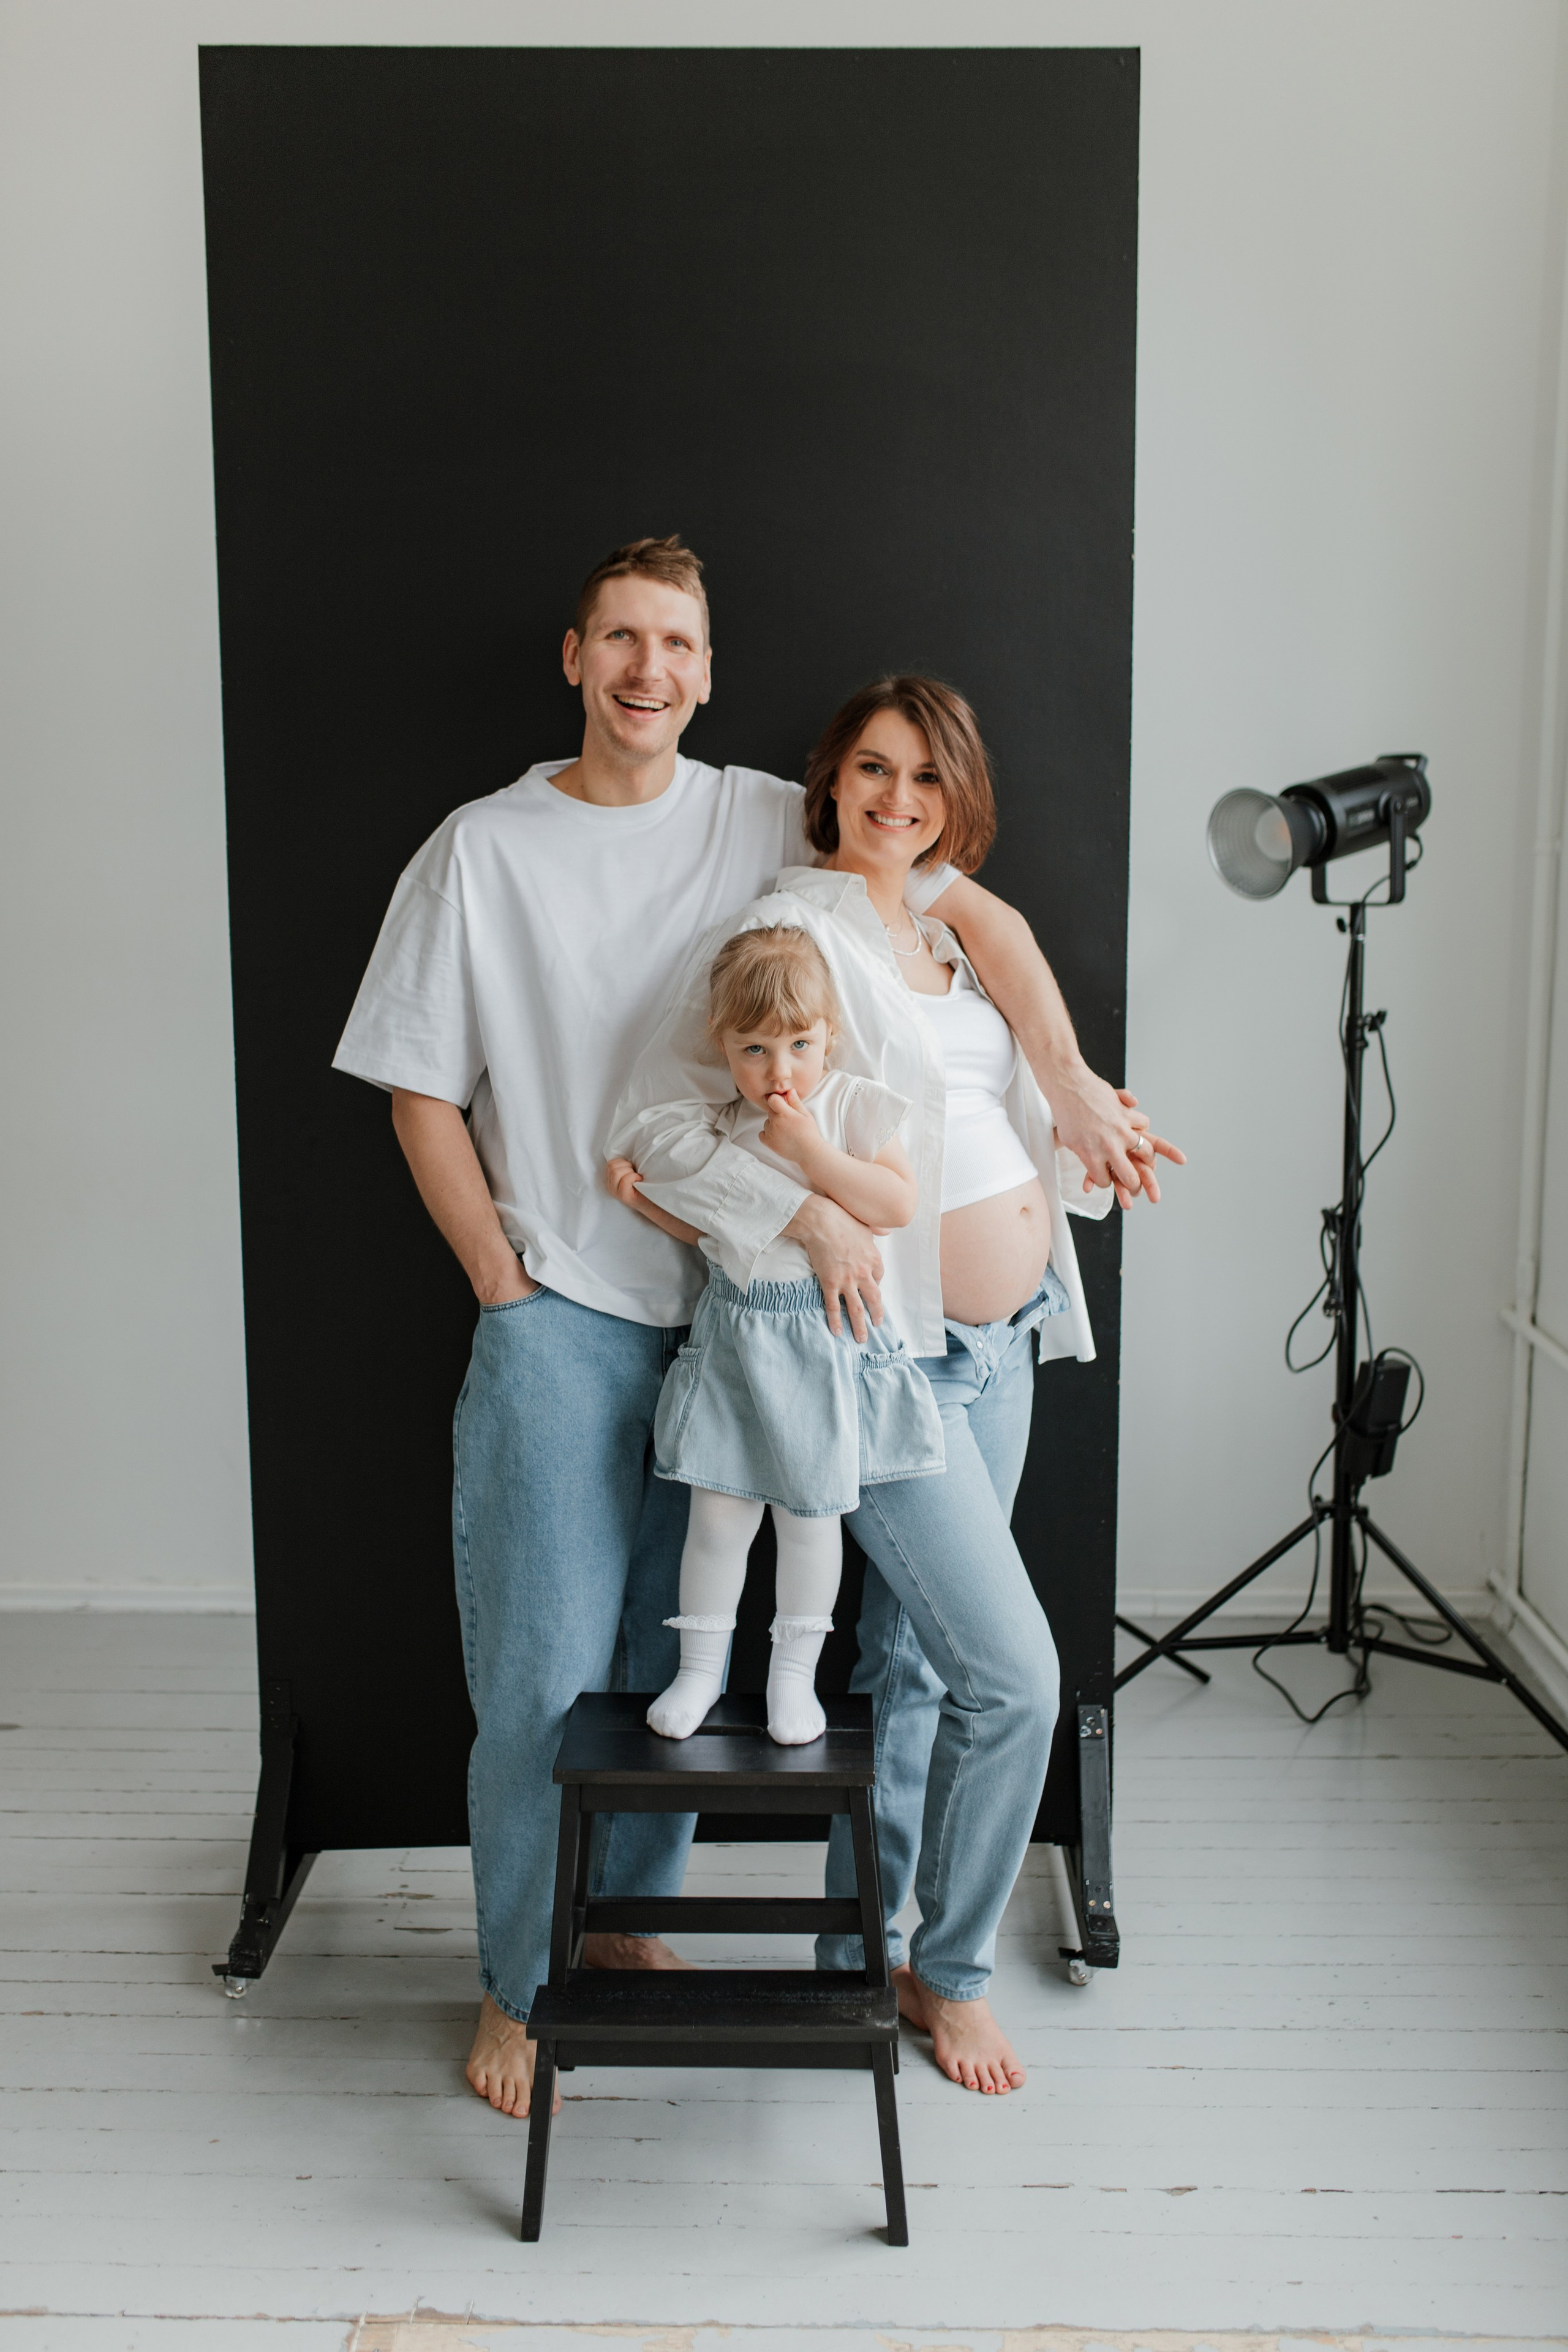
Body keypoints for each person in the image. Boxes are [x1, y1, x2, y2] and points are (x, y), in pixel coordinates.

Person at [333, 535, 1174, 2122]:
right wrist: (511, 1279)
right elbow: (442, 1088)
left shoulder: (756, 817)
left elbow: (965, 905)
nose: (650, 670)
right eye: (623, 641)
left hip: (797, 1328)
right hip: (594, 1313)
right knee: (547, 1679)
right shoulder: (501, 850)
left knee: (703, 1663)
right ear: (576, 655)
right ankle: (521, 1984)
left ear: (709, 674)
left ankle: (650, 1928)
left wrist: (1067, 1080)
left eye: (679, 645)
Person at [609, 674, 1183, 2095]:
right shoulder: (786, 929)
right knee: (1017, 1678)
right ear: (830, 780)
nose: (896, 800)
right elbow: (662, 1121)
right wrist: (803, 1216)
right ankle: (955, 1967)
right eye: (872, 770)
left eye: (925, 780)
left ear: (955, 799)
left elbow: (997, 1070)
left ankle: (860, 1958)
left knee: (913, 1665)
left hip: (1006, 1342)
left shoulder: (942, 927)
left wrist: (1083, 1107)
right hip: (886, 1360)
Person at [623, 924, 942, 1746]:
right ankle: (698, 1672)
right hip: (737, 1336)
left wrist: (813, 1153)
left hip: (822, 1342)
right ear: (724, 1047)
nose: (780, 1070)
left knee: (810, 1517)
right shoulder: (721, 1123)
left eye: (801, 1044)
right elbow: (711, 1234)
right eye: (755, 1049)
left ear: (830, 1035)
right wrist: (642, 1204)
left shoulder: (850, 1107)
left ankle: (792, 1683)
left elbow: (896, 1206)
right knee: (719, 1517)